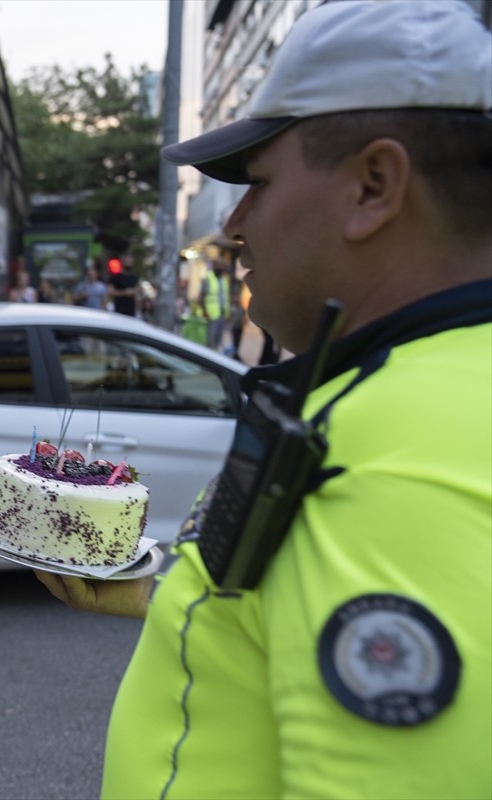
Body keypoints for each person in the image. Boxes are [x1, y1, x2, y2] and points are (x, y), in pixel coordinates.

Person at [37, 2, 491, 796]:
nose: (237, 223)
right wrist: (164, 599)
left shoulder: (389, 467)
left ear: (373, 186)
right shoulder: (406, 389)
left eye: (258, 182)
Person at [199, 259, 232, 351]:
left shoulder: (223, 279)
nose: (221, 268)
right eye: (219, 266)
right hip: (211, 315)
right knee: (210, 340)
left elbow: (225, 297)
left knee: (218, 340)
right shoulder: (208, 278)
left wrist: (227, 313)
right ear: (214, 266)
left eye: (222, 266)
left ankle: (215, 356)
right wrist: (205, 311)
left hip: (222, 314)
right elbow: (201, 296)